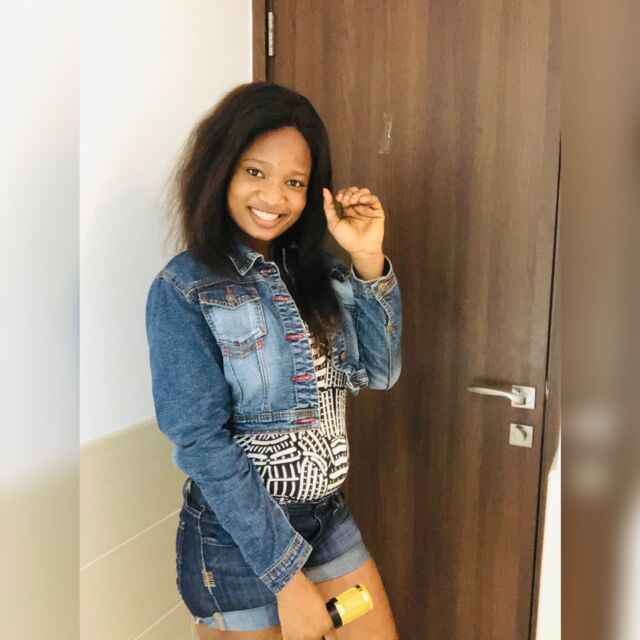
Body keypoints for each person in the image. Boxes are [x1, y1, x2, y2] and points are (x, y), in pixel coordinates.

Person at [145, 82, 402, 640]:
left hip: (326, 515)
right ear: (221, 170)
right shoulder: (186, 288)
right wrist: (286, 578)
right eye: (255, 172)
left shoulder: (321, 276)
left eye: (295, 182)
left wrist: (366, 258)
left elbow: (380, 373)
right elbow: (201, 442)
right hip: (235, 541)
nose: (274, 197)